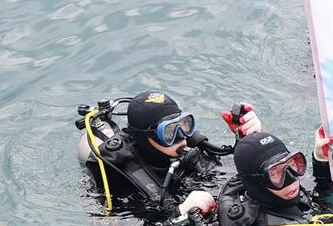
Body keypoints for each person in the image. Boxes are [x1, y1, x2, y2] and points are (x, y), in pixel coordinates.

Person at [76, 89, 261, 214]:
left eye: (184, 124)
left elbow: (236, 177)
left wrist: (249, 142)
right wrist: (180, 213)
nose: (181, 137)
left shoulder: (189, 154)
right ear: (143, 137)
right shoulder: (119, 177)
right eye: (169, 132)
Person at [182, 126, 333, 226]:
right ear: (257, 182)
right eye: (275, 173)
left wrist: (321, 161)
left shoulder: (284, 193)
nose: (291, 178)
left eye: (292, 165)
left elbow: (318, 200)